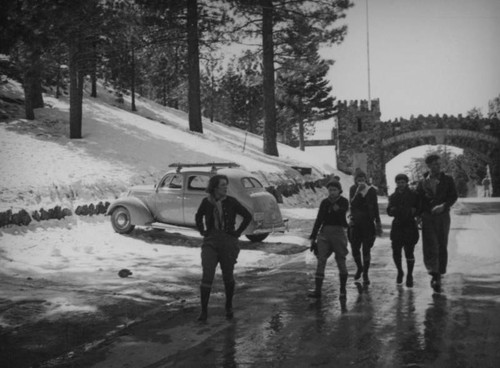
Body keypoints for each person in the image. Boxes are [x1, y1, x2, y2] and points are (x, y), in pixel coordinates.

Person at [195, 174, 252, 321]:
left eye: (226, 185)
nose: (226, 188)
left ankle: (228, 306)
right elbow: (198, 216)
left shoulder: (232, 202)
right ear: (214, 188)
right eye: (222, 185)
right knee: (207, 275)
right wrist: (203, 231)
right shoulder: (206, 202)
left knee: (228, 275)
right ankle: (204, 312)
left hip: (228, 242)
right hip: (210, 242)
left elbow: (247, 216)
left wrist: (237, 233)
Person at [416, 154, 458, 293]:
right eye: (434, 164)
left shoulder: (447, 180)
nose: (438, 166)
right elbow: (419, 200)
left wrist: (444, 206)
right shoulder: (422, 182)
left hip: (443, 217)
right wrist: (418, 216)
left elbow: (453, 196)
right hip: (428, 217)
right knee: (430, 245)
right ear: (428, 166)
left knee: (441, 244)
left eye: (439, 164)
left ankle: (439, 272)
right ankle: (434, 274)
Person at [308, 181, 349, 299]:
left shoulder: (343, 202)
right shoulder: (324, 202)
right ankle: (318, 290)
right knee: (321, 260)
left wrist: (338, 209)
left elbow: (342, 217)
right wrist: (313, 235)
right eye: (330, 190)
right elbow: (319, 218)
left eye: (334, 190)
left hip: (338, 232)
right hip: (325, 232)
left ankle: (342, 290)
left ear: (339, 190)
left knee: (340, 259)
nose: (332, 192)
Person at [348, 171, 382, 285]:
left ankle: (366, 273)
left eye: (362, 179)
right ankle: (359, 267)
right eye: (358, 179)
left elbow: (374, 206)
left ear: (366, 179)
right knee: (355, 248)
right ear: (355, 180)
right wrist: (358, 192)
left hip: (367, 223)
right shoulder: (353, 189)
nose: (360, 181)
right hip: (356, 223)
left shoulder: (371, 190)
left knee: (366, 249)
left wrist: (378, 221)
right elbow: (352, 204)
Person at [387, 173, 419, 287]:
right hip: (397, 226)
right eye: (398, 182)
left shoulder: (413, 195)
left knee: (409, 252)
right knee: (396, 251)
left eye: (403, 182)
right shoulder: (393, 196)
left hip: (410, 226)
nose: (401, 184)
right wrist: (393, 210)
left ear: (406, 183)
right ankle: (400, 271)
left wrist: (412, 211)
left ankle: (410, 275)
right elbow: (389, 211)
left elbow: (418, 208)